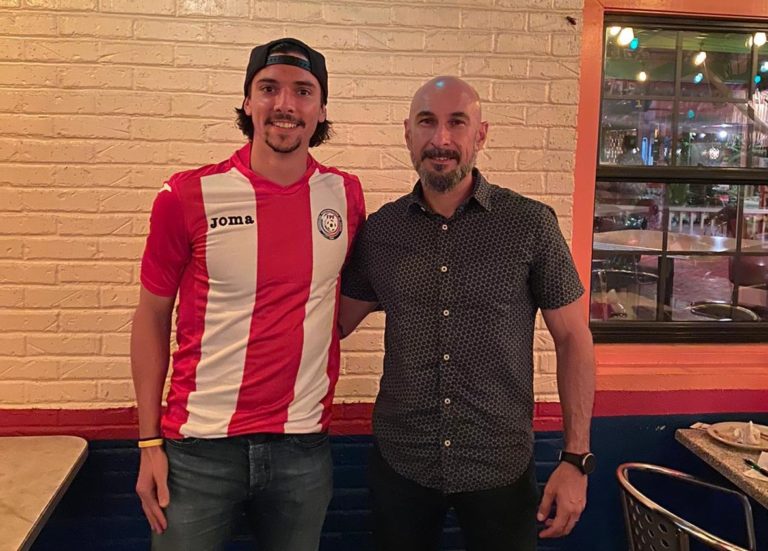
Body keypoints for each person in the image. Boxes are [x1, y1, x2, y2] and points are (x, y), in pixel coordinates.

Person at [339, 76, 595, 551]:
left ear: (481, 134)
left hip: (500, 463)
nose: (441, 139)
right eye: (427, 122)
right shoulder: (381, 232)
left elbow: (573, 339)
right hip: (402, 462)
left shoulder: (530, 225)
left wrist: (576, 459)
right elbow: (333, 322)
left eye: (457, 123)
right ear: (408, 134)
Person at [130, 37, 366, 551]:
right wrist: (148, 441)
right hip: (197, 451)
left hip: (303, 449)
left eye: (303, 91)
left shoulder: (345, 195)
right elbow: (150, 316)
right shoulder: (187, 194)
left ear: (322, 109)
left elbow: (339, 298)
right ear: (247, 101)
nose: (285, 104)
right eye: (269, 88)